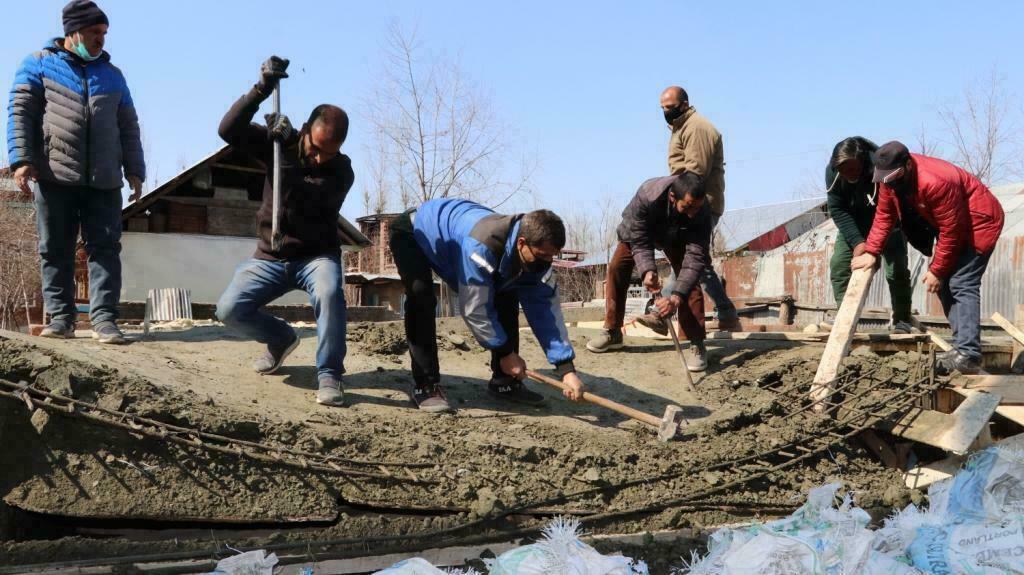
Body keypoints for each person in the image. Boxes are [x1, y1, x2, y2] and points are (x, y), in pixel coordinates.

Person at [215, 56, 353, 407]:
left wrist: (289, 153)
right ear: (306, 129)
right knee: (229, 309)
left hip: (316, 256)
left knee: (330, 292)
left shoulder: (341, 171)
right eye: (316, 149)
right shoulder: (277, 145)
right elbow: (228, 129)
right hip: (271, 255)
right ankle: (280, 338)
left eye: (329, 153)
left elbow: (310, 198)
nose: (320, 159)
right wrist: (261, 90)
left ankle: (329, 373)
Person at [7, 0, 144, 344]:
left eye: (104, 33)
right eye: (94, 32)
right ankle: (61, 320)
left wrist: (135, 170)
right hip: (54, 175)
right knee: (55, 249)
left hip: (105, 180)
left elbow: (128, 126)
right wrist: (22, 160)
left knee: (106, 250)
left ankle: (105, 321)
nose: (101, 39)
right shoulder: (38, 64)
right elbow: (20, 112)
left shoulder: (113, 75)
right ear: (73, 32)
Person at [388, 198, 585, 413]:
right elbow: (475, 308)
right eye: (542, 255)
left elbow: (546, 312)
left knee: (507, 292)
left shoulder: (536, 259)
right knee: (421, 296)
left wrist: (566, 369)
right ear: (521, 243)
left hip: (455, 232)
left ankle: (504, 382)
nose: (547, 261)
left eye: (552, 256)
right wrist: (506, 353)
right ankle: (426, 385)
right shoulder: (482, 246)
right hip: (414, 231)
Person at [852, 141, 1004, 374]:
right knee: (945, 286)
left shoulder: (935, 181)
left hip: (979, 222)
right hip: (955, 225)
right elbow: (884, 215)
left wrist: (937, 270)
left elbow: (952, 231)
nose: (888, 183)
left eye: (892, 177)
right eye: (884, 178)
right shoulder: (888, 178)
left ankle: (968, 354)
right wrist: (872, 251)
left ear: (907, 165)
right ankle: (962, 348)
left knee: (961, 282)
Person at [587, 173, 713, 372]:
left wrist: (676, 297)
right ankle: (612, 332)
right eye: (687, 207)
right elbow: (638, 238)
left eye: (696, 208)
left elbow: (695, 258)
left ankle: (696, 342)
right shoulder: (648, 194)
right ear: (672, 197)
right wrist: (647, 270)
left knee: (690, 280)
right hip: (640, 232)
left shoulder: (701, 211)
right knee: (617, 267)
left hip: (679, 236)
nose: (692, 213)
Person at [660, 85, 739, 331]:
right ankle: (727, 313)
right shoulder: (683, 127)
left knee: (687, 259)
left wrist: (681, 204)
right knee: (698, 260)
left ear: (684, 104)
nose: (666, 112)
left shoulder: (697, 128)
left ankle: (660, 312)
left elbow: (694, 175)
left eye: (670, 107)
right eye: (663, 108)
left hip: (699, 205)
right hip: (691, 203)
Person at [825, 137, 913, 331]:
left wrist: (874, 249)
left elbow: (892, 206)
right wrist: (858, 242)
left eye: (852, 169)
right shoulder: (833, 172)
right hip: (855, 224)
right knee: (839, 266)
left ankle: (902, 320)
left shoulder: (883, 168)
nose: (847, 174)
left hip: (888, 223)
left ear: (863, 160)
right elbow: (837, 209)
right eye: (842, 170)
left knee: (896, 270)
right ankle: (846, 320)